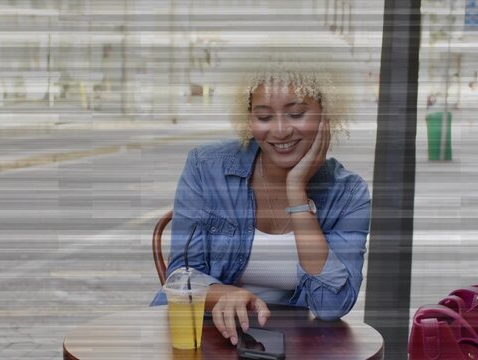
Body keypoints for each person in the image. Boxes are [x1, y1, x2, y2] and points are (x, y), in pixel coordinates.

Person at [151, 57, 371, 346]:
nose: (279, 130)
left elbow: (331, 305)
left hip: (286, 342)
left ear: (326, 113)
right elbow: (180, 275)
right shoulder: (206, 167)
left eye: (296, 114)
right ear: (248, 118)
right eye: (264, 117)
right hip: (200, 333)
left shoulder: (348, 194)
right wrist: (225, 294)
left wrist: (297, 193)